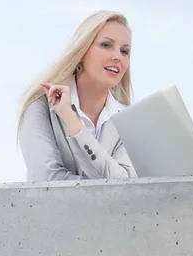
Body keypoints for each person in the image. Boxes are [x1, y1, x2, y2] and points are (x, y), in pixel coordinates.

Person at [17, 10, 137, 181]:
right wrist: (105, 189)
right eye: (106, 45)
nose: (118, 56)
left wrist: (73, 124)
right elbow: (46, 179)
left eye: (125, 51)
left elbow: (125, 183)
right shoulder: (40, 105)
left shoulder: (129, 121)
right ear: (81, 51)